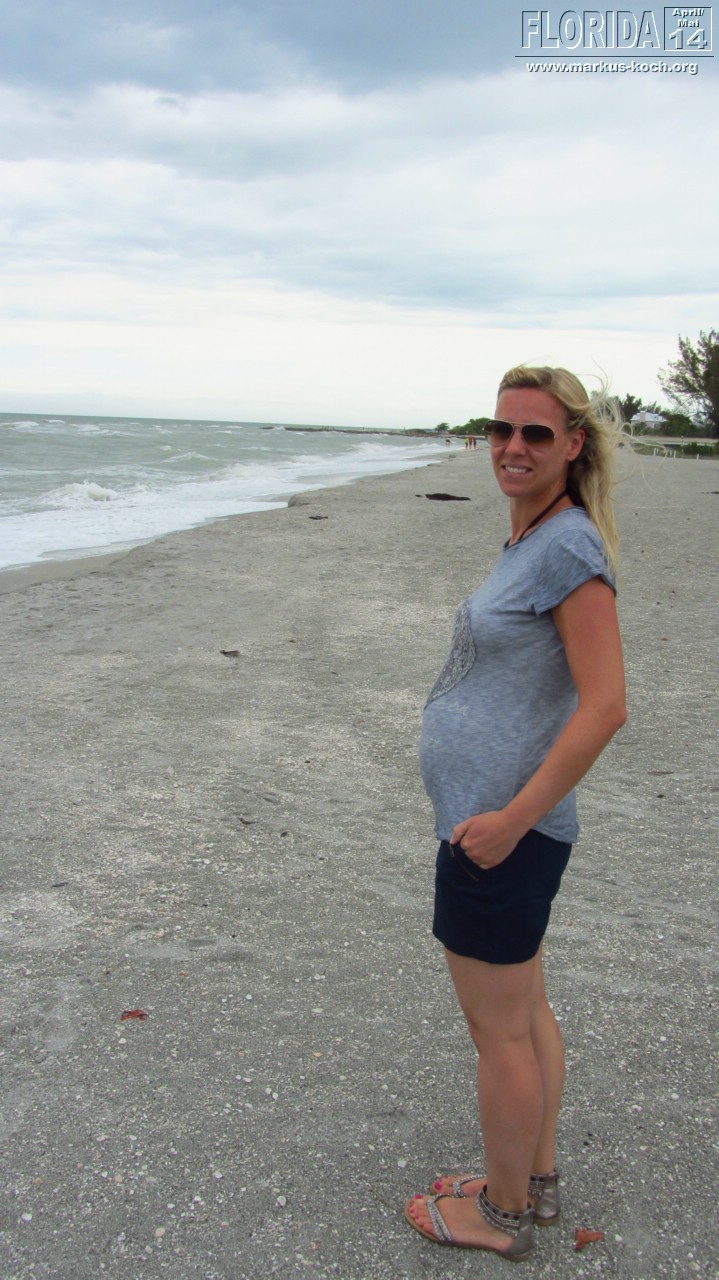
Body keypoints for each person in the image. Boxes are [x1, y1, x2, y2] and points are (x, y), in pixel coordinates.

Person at [405, 365, 627, 1262]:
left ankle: (497, 1217)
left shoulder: (567, 548)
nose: (513, 447)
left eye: (535, 433)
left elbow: (605, 706)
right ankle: (531, 1184)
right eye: (502, 430)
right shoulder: (536, 540)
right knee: (525, 1016)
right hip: (495, 830)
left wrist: (508, 820)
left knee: (498, 1034)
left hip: (500, 837)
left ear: (571, 445)